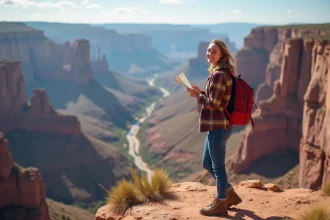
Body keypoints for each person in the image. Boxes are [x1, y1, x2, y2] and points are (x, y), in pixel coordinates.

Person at [187, 39, 242, 217]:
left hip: (219, 127)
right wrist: (201, 93)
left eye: (214, 52)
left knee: (218, 168)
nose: (209, 54)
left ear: (222, 55)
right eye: (209, 51)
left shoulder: (219, 75)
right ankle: (230, 194)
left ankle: (221, 202)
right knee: (207, 163)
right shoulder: (221, 73)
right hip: (216, 126)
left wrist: (198, 96)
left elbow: (213, 104)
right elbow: (214, 100)